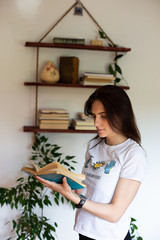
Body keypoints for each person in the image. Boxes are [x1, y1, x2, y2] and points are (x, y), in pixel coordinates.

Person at [35, 85, 146, 240]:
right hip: (85, 230)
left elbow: (115, 214)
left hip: (110, 236)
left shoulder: (133, 154)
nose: (96, 123)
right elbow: (85, 190)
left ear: (122, 114)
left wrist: (76, 199)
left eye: (104, 116)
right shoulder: (94, 146)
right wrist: (65, 184)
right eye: (94, 116)